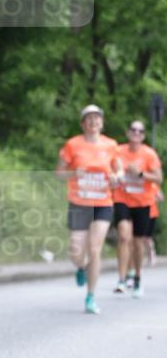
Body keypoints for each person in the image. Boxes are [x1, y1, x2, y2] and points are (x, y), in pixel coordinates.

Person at [55, 105, 123, 315]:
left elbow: (119, 169)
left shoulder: (111, 145)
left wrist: (116, 177)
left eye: (97, 119)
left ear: (102, 123)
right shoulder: (72, 145)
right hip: (79, 202)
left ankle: (90, 296)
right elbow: (58, 173)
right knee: (77, 251)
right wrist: (74, 172)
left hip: (102, 203)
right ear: (83, 123)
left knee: (95, 249)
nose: (94, 122)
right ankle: (81, 267)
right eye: (89, 119)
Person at [112, 121, 163, 297]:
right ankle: (121, 278)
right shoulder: (118, 151)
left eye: (140, 131)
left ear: (143, 136)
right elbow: (110, 168)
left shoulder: (149, 154)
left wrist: (140, 174)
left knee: (138, 241)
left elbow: (158, 179)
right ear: (127, 133)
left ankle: (138, 278)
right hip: (122, 198)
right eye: (133, 129)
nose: (136, 133)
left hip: (143, 201)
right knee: (124, 236)